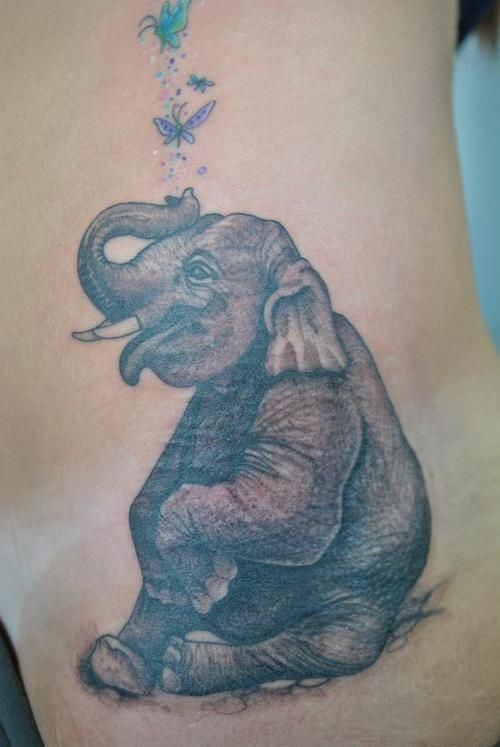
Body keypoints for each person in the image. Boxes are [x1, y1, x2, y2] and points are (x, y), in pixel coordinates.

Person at [0, 2, 499, 745]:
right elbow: (173, 483)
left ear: (281, 307)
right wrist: (160, 523)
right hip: (23, 597)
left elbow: (295, 519)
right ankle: (148, 641)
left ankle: (231, 663)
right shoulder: (235, 370)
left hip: (354, 616)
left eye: (201, 274)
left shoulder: (311, 367)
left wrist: (181, 518)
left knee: (340, 634)